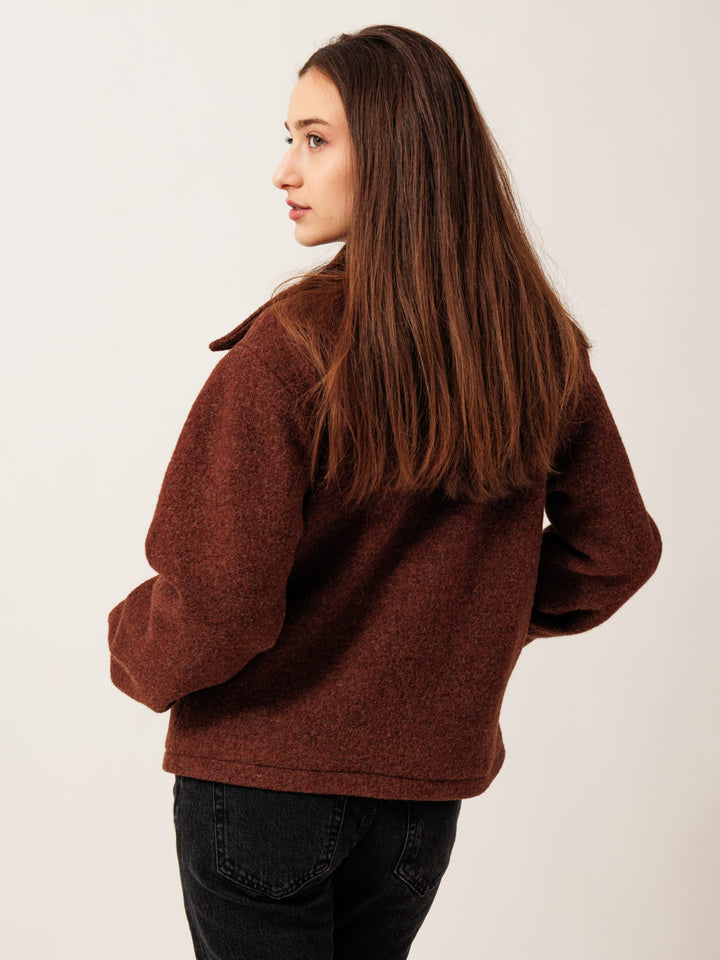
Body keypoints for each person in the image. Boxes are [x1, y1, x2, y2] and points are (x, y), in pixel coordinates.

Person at [107, 24, 662, 960]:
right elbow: (617, 550)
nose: (285, 171)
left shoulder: (289, 352)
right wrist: (458, 626)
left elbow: (220, 602)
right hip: (417, 799)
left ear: (400, 154)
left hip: (262, 784)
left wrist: (130, 648)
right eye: (289, 137)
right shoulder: (534, 347)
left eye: (315, 140)